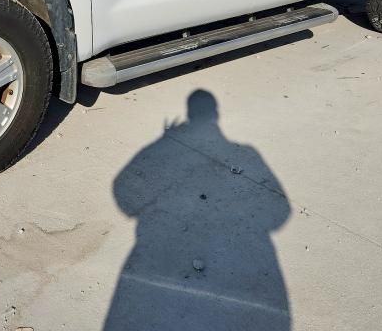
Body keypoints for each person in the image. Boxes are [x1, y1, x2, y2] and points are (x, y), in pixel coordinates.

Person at [104, 89, 291, 330]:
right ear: (216, 114)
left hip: (154, 247)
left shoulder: (245, 152)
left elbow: (121, 190)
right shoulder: (248, 153)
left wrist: (145, 211)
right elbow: (281, 212)